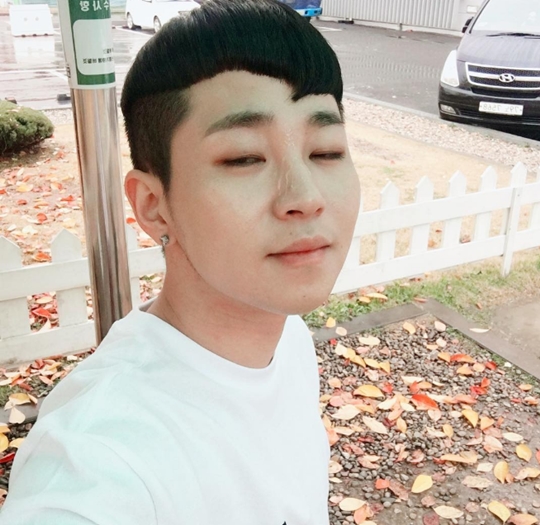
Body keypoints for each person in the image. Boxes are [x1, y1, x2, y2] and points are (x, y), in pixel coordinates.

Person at [0, 0, 360, 523]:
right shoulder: (98, 461)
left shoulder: (290, 341)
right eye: (243, 158)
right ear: (153, 205)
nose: (305, 197)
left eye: (326, 151)